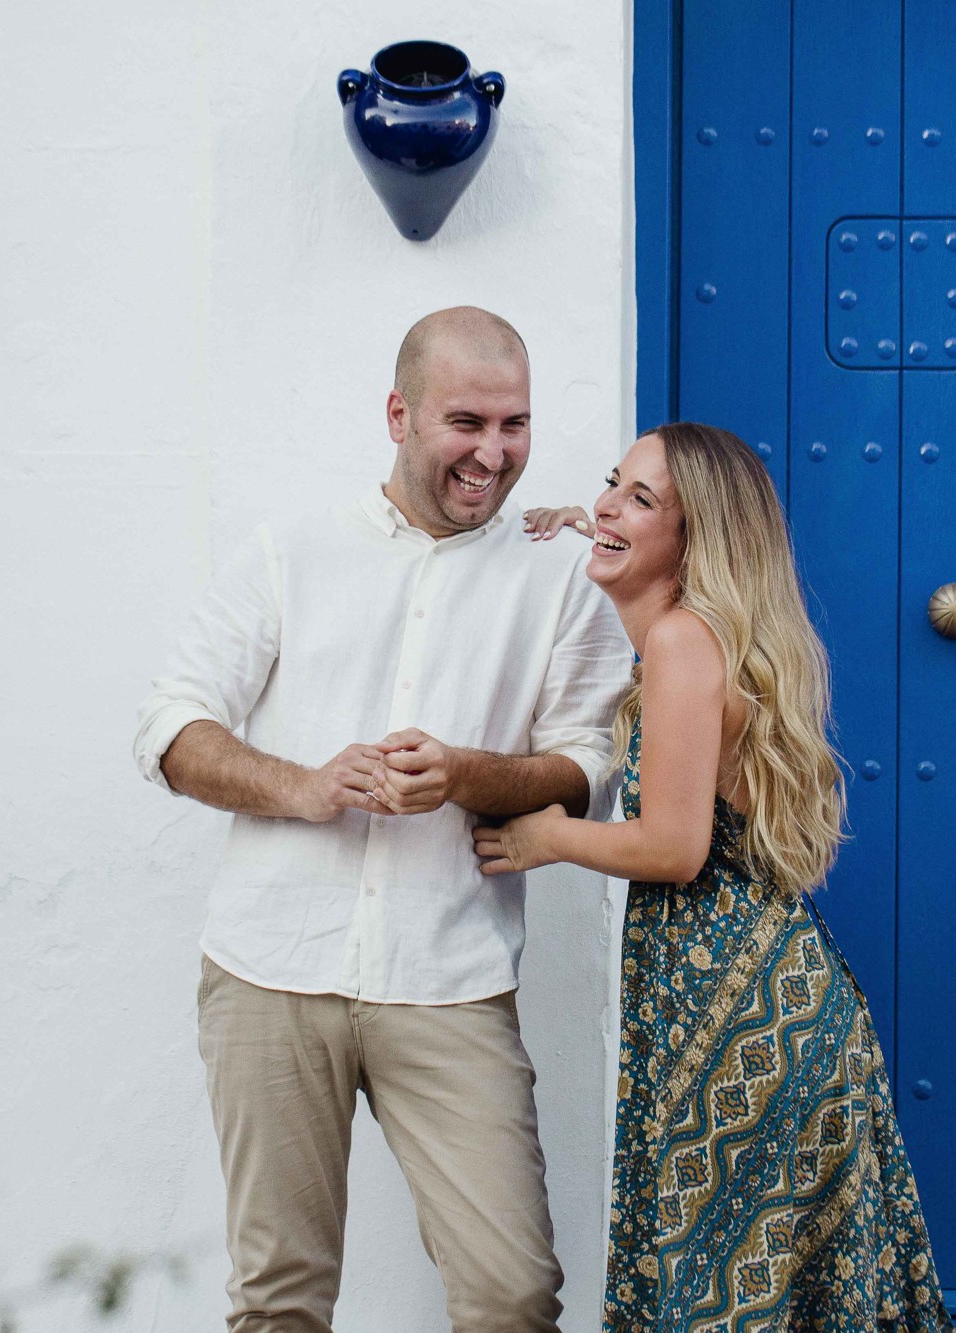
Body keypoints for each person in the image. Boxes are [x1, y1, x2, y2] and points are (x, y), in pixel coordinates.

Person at [133, 307, 632, 1333]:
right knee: (280, 1300)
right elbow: (170, 728)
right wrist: (304, 786)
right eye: (465, 421)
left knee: (510, 1294)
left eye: (515, 424)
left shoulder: (559, 582)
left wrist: (463, 774)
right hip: (269, 964)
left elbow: (588, 775)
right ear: (398, 414)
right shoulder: (288, 552)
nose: (492, 453)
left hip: (448, 976)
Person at [489, 422, 954, 1332]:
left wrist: (551, 837)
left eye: (641, 497)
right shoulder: (700, 634)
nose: (611, 504)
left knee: (725, 1298)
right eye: (610, 482)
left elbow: (672, 846)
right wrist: (603, 526)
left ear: (696, 538)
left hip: (739, 1022)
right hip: (768, 1006)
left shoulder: (679, 641)